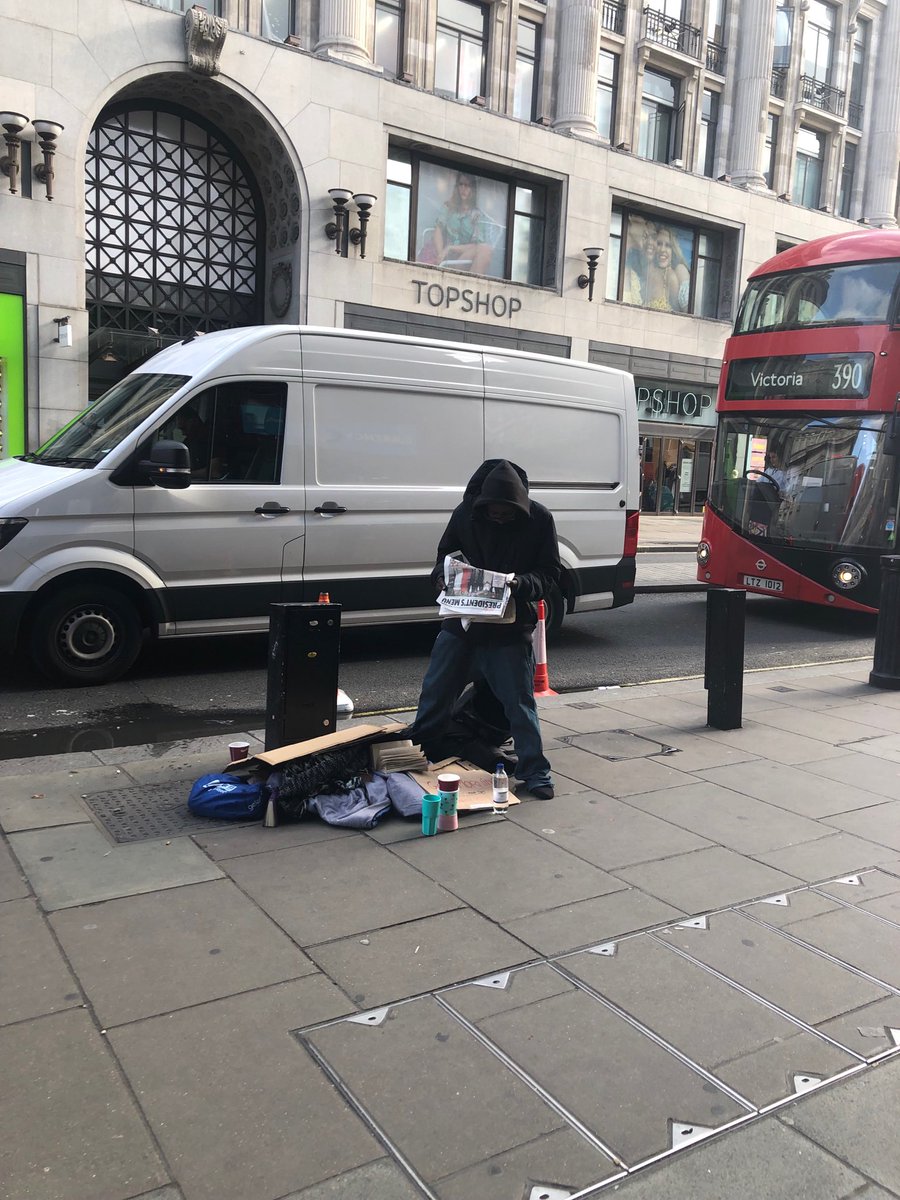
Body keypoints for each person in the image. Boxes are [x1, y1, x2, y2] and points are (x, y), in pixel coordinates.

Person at [409, 459, 559, 800]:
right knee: (435, 696)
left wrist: (520, 584)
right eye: (493, 512)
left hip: (507, 631)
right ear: (482, 505)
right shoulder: (465, 513)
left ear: (519, 507)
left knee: (519, 706)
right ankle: (421, 759)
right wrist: (443, 578)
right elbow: (444, 555)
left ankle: (535, 772)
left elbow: (550, 573)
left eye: (507, 514)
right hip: (460, 627)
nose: (499, 518)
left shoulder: (540, 519)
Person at [431, 173, 494, 275]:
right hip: (444, 257)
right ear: (457, 187)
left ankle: (471, 286)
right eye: (461, 184)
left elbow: (477, 246)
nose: (463, 189)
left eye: (468, 185)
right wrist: (440, 254)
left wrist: (450, 248)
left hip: (464, 257)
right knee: (485, 249)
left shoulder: (477, 215)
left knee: (485, 249)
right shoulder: (448, 207)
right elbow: (438, 229)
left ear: (473, 189)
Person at [644, 226, 691, 312]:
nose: (662, 249)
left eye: (668, 245)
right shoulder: (647, 272)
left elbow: (682, 315)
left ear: (673, 250)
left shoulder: (674, 274)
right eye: (659, 244)